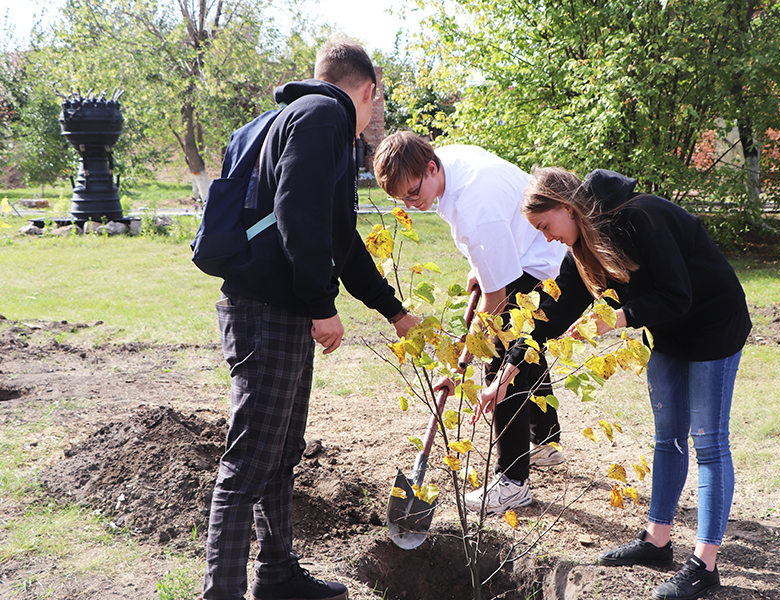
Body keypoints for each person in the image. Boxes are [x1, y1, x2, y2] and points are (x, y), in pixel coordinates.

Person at [203, 39, 417, 600]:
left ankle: (275, 576)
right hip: (268, 311)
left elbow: (338, 238)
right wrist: (322, 306)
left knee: (280, 452)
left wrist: (393, 311)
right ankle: (220, 592)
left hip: (272, 307)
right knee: (250, 460)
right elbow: (300, 216)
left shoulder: (284, 120)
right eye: (373, 108)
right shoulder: (326, 117)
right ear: (367, 92)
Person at [479, 167, 751, 600]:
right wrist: (508, 368)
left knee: (710, 442)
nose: (547, 238)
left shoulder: (638, 217)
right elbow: (553, 311)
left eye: (546, 226)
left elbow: (678, 294)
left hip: (714, 324)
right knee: (668, 439)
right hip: (668, 332)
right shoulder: (581, 248)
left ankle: (704, 565)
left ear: (567, 208)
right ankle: (657, 542)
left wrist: (619, 317)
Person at [373, 132, 569, 516]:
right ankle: (546, 441)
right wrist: (481, 266)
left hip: (547, 257)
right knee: (523, 347)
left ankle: (513, 483)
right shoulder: (446, 163)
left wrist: (459, 365)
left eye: (414, 193)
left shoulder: (474, 208)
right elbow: (496, 236)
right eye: (402, 200)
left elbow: (497, 301)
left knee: (500, 357)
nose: (412, 205)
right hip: (525, 247)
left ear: (431, 168)